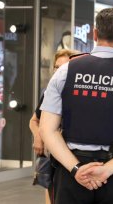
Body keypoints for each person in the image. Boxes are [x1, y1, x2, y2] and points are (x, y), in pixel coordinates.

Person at [39, 8, 113, 204]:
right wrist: (107, 170)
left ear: (95, 34)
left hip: (72, 173)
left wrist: (76, 168)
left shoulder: (65, 71)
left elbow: (47, 129)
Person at [29, 49, 77, 204]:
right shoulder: (50, 92)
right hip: (53, 155)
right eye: (56, 67)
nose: (58, 71)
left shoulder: (79, 93)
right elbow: (34, 120)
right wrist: (38, 136)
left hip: (73, 154)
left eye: (64, 67)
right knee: (51, 191)